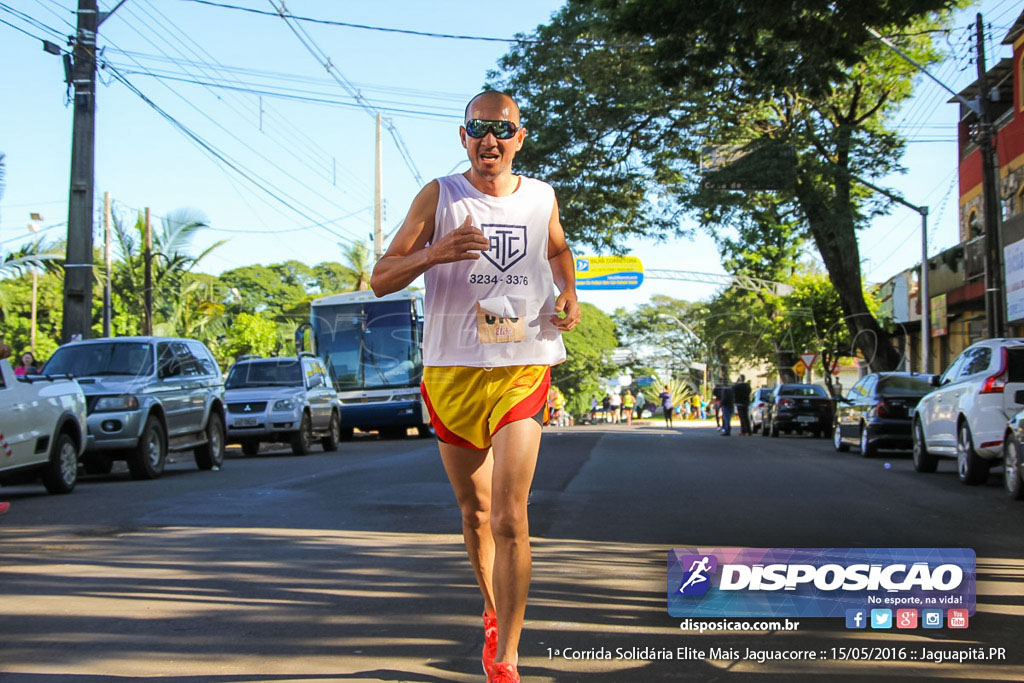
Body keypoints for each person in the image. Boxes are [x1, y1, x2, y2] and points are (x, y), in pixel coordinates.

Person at [369, 90, 580, 683]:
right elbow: (383, 278)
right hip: (452, 370)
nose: (491, 140)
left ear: (520, 137)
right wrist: (437, 252)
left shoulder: (542, 197)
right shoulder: (439, 195)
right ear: (463, 137)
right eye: (478, 129)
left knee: (513, 514)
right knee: (477, 512)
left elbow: (559, 250)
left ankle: (507, 658)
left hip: (521, 365)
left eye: (502, 130)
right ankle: (492, 609)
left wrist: (568, 292)